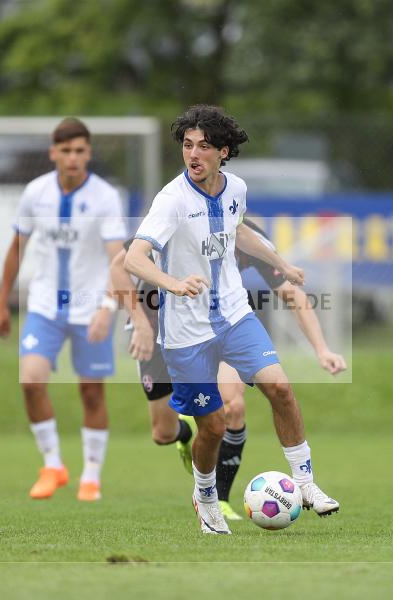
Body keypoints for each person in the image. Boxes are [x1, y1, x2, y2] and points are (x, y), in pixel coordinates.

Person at [124, 104, 341, 534]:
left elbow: (238, 229)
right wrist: (169, 282)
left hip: (234, 315)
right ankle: (205, 497)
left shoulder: (235, 188)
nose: (193, 154)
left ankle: (306, 482)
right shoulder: (171, 200)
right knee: (213, 427)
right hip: (186, 333)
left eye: (204, 146)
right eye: (187, 145)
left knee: (279, 387)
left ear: (224, 152)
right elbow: (133, 256)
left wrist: (281, 261)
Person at [109, 218, 347, 521]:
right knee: (162, 432)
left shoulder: (250, 239)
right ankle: (185, 434)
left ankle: (218, 498)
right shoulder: (177, 213)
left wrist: (322, 349)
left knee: (232, 408)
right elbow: (119, 266)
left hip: (220, 323)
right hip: (161, 326)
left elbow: (292, 294)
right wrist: (140, 323)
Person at [0, 118, 126, 502]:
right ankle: (52, 464)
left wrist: (107, 306)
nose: (73, 158)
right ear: (53, 153)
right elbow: (16, 248)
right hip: (45, 305)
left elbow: (118, 258)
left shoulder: (104, 197)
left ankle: (92, 476)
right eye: (65, 151)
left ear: (89, 153)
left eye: (80, 151)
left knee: (91, 391)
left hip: (91, 307)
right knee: (31, 380)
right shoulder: (36, 193)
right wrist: (2, 304)